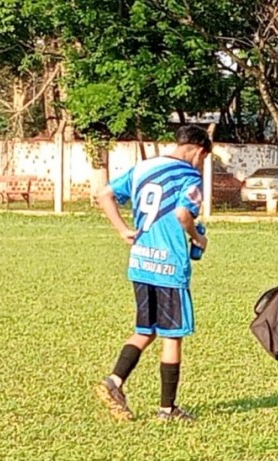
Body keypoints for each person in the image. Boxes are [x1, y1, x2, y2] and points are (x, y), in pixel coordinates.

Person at [94, 125, 211, 421]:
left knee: (145, 330)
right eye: (204, 159)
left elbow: (104, 194)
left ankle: (114, 382)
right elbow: (183, 215)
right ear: (198, 150)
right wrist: (198, 238)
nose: (201, 165)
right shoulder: (189, 176)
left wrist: (122, 230)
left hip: (141, 261)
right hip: (169, 265)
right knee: (173, 336)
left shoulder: (143, 167)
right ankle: (168, 409)